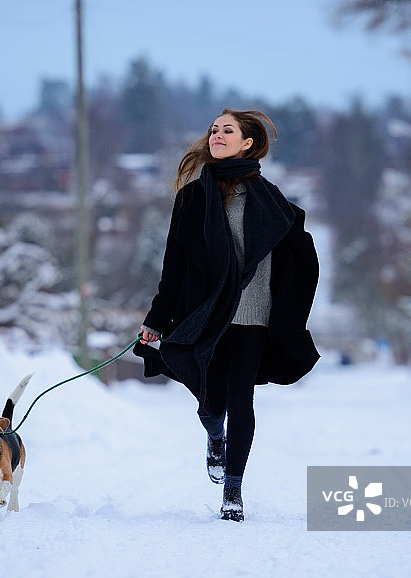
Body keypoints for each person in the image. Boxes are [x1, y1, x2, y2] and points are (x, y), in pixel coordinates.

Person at [134, 108, 320, 522]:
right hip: (206, 316)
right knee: (211, 401)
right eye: (214, 130)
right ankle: (213, 434)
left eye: (227, 130)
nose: (217, 135)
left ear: (247, 142)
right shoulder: (193, 198)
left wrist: (290, 312)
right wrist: (156, 320)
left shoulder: (272, 202)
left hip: (254, 316)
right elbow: (175, 267)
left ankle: (233, 491)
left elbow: (300, 259)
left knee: (242, 400)